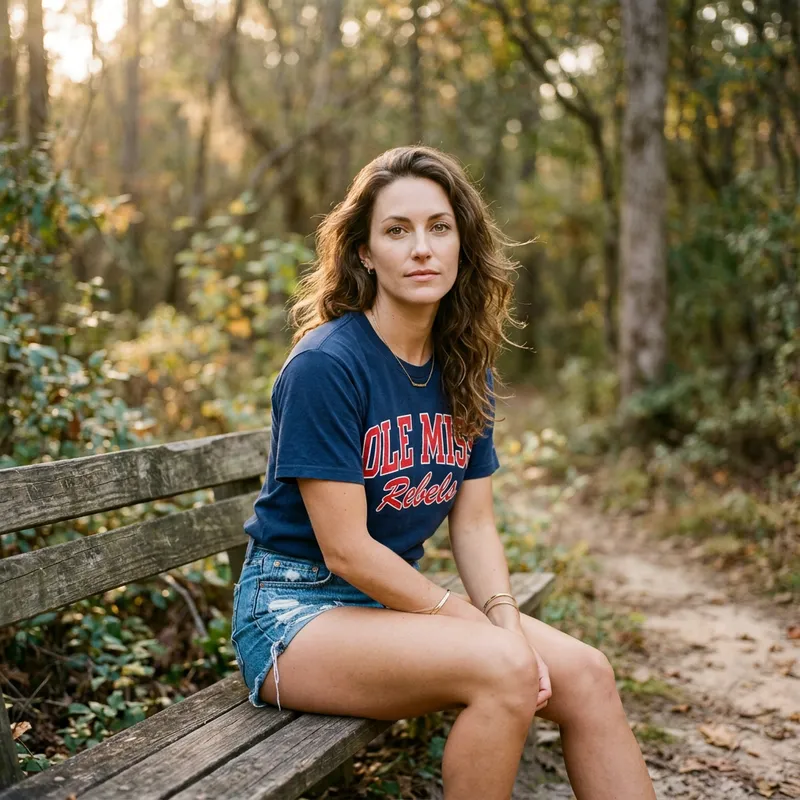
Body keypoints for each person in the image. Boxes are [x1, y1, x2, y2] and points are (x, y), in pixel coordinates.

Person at [230, 145, 656, 800]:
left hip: (381, 609)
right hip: (294, 614)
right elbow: (345, 549)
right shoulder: (327, 366)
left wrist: (503, 618)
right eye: (396, 231)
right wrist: (472, 625)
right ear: (366, 253)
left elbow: (476, 525)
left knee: (589, 675)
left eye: (438, 227)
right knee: (504, 669)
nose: (420, 248)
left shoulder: (464, 370)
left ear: (462, 242)